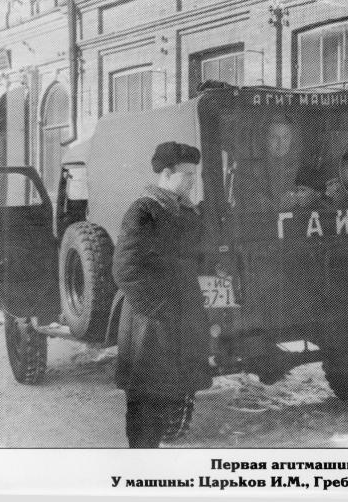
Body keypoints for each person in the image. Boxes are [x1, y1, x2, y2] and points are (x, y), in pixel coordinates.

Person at [112, 141, 211, 448]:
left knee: (174, 390)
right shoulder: (144, 210)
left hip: (177, 317)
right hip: (150, 324)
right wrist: (160, 309)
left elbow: (192, 254)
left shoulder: (183, 211)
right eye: (187, 175)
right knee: (147, 400)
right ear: (167, 174)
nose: (192, 181)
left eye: (194, 175)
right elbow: (126, 268)